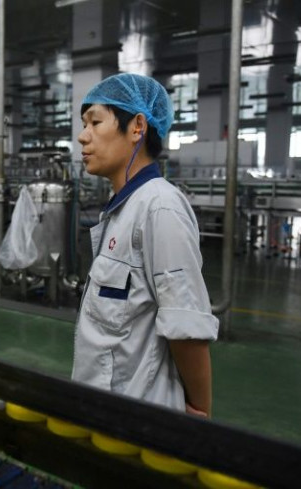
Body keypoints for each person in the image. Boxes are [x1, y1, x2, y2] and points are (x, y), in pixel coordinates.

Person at [72, 73, 219, 417]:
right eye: (84, 124)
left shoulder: (160, 207)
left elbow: (185, 326)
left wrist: (199, 409)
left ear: (137, 127)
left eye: (95, 121)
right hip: (103, 409)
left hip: (138, 416)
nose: (83, 136)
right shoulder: (124, 207)